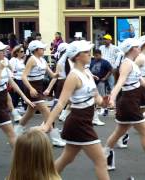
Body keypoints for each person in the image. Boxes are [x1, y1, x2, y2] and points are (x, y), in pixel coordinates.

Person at [37, 40, 110, 180]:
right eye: (86, 52)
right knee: (101, 160)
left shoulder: (87, 72)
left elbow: (97, 98)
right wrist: (47, 125)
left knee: (66, 159)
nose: (90, 54)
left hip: (83, 121)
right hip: (79, 122)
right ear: (77, 56)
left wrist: (105, 103)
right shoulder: (73, 76)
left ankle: (44, 177)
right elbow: (61, 103)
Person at [104, 38, 145, 173]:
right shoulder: (127, 64)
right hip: (128, 101)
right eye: (136, 46)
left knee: (120, 131)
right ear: (131, 49)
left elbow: (139, 80)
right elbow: (120, 82)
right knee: (144, 131)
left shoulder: (133, 63)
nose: (139, 47)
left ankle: (104, 155)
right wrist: (112, 98)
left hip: (132, 100)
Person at [0, 40, 34, 148]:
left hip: (2, 101)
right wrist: (0, 69)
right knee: (12, 134)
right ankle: (21, 161)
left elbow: (12, 82)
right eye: (1, 50)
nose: (5, 52)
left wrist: (25, 98)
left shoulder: (3, 63)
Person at [14, 40, 65, 147]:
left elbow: (52, 75)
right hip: (32, 88)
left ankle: (16, 133)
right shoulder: (32, 60)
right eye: (42, 48)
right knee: (48, 114)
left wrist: (59, 73)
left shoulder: (42, 60)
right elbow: (24, 77)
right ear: (36, 50)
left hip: (39, 88)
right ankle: (55, 139)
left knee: (30, 113)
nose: (44, 50)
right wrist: (31, 89)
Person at [90, 49, 113, 122]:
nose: (96, 57)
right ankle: (96, 109)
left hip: (101, 81)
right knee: (95, 96)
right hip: (93, 81)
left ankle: (105, 109)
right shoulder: (92, 62)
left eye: (97, 55)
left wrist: (105, 78)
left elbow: (110, 70)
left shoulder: (105, 62)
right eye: (95, 55)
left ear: (100, 55)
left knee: (103, 95)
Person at [9, 44, 26, 113]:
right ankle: (12, 108)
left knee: (20, 94)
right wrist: (12, 82)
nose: (23, 53)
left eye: (23, 51)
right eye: (21, 51)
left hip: (23, 79)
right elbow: (11, 71)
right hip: (16, 79)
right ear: (17, 52)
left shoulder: (22, 60)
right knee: (16, 95)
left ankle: (23, 106)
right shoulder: (13, 60)